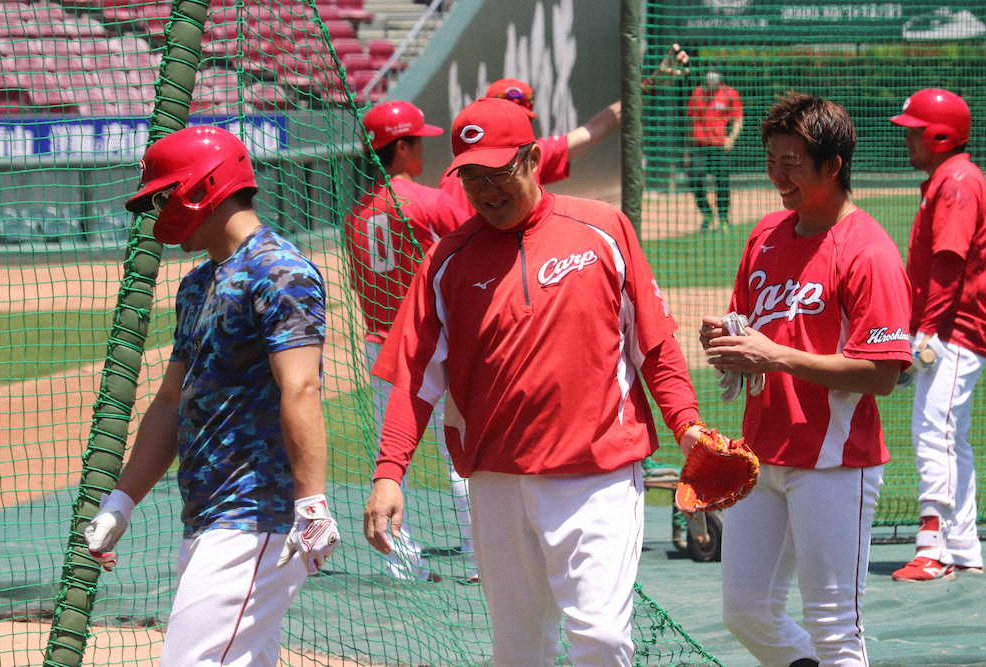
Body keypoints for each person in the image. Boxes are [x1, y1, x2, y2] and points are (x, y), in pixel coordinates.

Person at [363, 97, 710, 665]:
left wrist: (686, 424)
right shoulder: (447, 260)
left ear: (530, 159)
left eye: (497, 173)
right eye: (472, 177)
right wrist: (388, 472)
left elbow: (653, 343)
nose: (486, 191)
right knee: (519, 650)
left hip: (597, 474)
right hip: (497, 480)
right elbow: (412, 379)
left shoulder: (602, 229)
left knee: (601, 636)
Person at [83, 126, 339, 665]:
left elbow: (301, 386)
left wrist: (311, 503)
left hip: (258, 517)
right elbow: (172, 401)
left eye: (163, 198)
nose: (158, 213)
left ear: (203, 188)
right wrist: (120, 503)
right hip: (210, 514)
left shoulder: (280, 271)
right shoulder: (198, 284)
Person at [700, 93, 912, 665]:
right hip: (761, 453)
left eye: (791, 162)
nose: (777, 175)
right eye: (771, 160)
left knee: (835, 626)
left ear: (833, 165)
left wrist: (775, 357)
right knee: (746, 611)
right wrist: (727, 341)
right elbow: (750, 326)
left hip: (834, 462)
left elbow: (882, 373)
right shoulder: (766, 233)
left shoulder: (869, 251)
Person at [345, 99, 473, 582]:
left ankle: (402, 562)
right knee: (460, 450)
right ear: (401, 147)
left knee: (391, 462)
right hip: (434, 346)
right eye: (418, 141)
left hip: (380, 347)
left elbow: (360, 285)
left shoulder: (356, 215)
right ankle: (480, 554)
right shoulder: (427, 201)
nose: (423, 149)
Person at [888, 88, 986, 582]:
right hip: (952, 327)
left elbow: (949, 262)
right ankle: (963, 546)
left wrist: (926, 331)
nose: (907, 140)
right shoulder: (950, 179)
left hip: (954, 329)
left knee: (935, 433)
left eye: (915, 131)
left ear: (941, 136)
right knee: (950, 436)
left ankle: (934, 548)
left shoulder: (957, 183)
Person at [438, 76, 624, 217]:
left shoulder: (530, 154)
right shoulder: (460, 177)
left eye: (521, 120)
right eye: (503, 121)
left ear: (533, 160)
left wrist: (636, 94)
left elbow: (593, 129)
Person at [686, 67, 743, 231]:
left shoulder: (729, 94)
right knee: (696, 180)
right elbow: (690, 121)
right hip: (699, 145)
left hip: (719, 146)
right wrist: (687, 148)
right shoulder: (697, 94)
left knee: (722, 182)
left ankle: (723, 219)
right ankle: (707, 214)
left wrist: (731, 138)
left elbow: (738, 119)